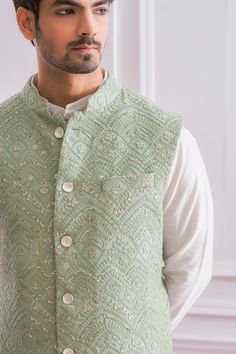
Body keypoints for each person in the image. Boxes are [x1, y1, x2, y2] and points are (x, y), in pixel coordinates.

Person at [0, 1, 214, 353]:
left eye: (100, 10)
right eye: (67, 11)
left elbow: (192, 268)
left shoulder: (166, 138)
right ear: (27, 22)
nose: (89, 28)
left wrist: (129, 334)